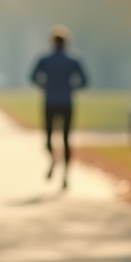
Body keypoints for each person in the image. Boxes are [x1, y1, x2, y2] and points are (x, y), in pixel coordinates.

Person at [28, 25, 88, 189]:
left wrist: (44, 85)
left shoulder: (45, 59)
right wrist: (71, 87)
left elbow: (32, 77)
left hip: (50, 101)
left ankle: (54, 159)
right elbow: (84, 81)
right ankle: (65, 176)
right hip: (67, 102)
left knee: (48, 138)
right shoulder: (74, 59)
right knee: (67, 139)